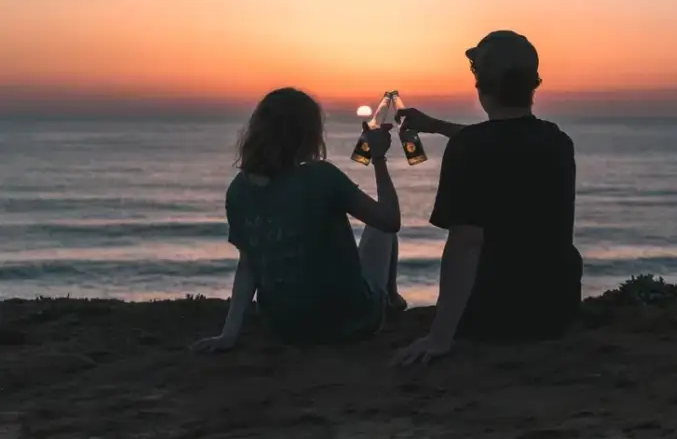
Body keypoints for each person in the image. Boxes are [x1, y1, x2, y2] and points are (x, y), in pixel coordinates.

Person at [392, 31, 582, 366]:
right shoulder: (557, 141)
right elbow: (505, 140)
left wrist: (439, 337)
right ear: (532, 84)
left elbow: (466, 243)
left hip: (494, 318)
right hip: (555, 312)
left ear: (480, 83)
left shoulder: (469, 149)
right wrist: (434, 125)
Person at [192, 87, 403, 351]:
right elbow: (390, 220)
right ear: (308, 136)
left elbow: (248, 264)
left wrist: (229, 334)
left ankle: (390, 298)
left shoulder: (239, 190)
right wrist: (379, 158)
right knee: (378, 231)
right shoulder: (322, 177)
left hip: (284, 328)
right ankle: (389, 299)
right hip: (351, 321)